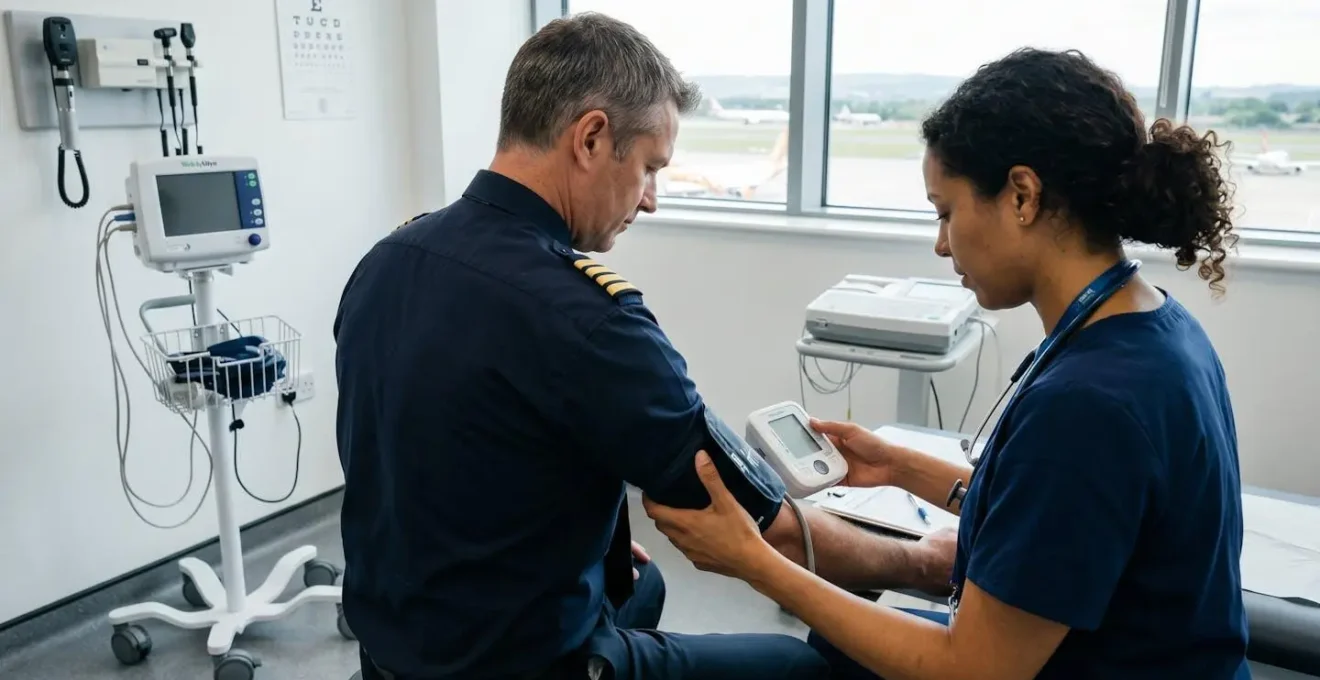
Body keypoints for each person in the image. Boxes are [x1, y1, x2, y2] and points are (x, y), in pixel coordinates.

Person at [645, 47, 1249, 680]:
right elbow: (1062, 518)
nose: (941, 243)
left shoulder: (1090, 404)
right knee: (828, 653)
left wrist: (756, 564)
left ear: (1022, 194)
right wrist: (902, 468)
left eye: (946, 212)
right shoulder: (1153, 328)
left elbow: (972, 671)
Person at [333, 12, 903, 680]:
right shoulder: (590, 320)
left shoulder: (385, 261)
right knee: (808, 665)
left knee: (643, 582)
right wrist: (929, 562)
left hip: (396, 650)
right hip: (517, 666)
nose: (653, 199)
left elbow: (440, 450)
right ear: (593, 138)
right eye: (650, 168)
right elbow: (767, 525)